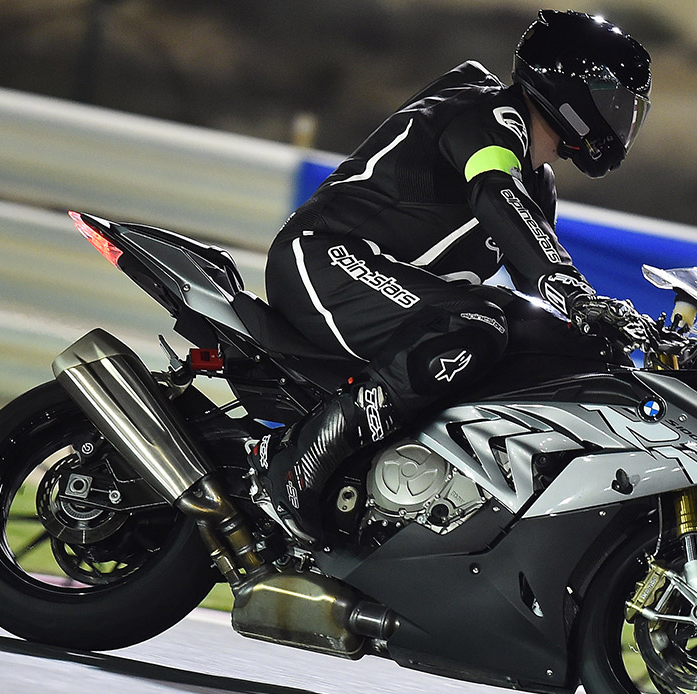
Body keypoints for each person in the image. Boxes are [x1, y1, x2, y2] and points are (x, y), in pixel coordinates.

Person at [257, 9, 654, 542]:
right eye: (613, 101)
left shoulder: (539, 184)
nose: (621, 120)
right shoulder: (485, 116)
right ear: (568, 90)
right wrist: (573, 289)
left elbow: (531, 281)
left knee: (525, 336)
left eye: (629, 109)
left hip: (395, 290)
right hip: (324, 257)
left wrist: (613, 333)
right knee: (477, 325)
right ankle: (297, 467)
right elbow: (495, 194)